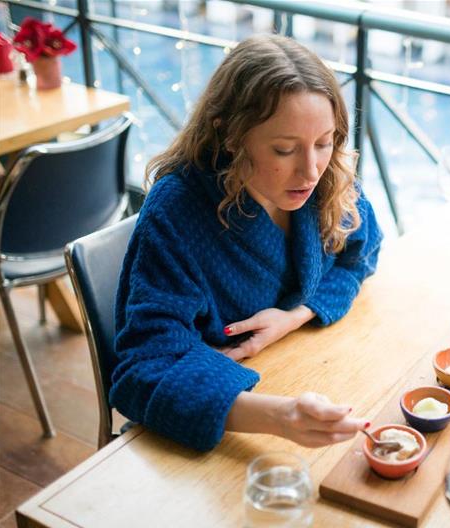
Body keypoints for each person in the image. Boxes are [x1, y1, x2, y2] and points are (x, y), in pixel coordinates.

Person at [111, 35, 382, 451]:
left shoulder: (329, 178)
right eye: (284, 149)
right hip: (215, 419)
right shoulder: (179, 209)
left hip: (305, 370)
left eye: (325, 142)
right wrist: (280, 416)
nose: (310, 170)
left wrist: (295, 316)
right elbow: (143, 365)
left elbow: (361, 252)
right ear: (230, 135)